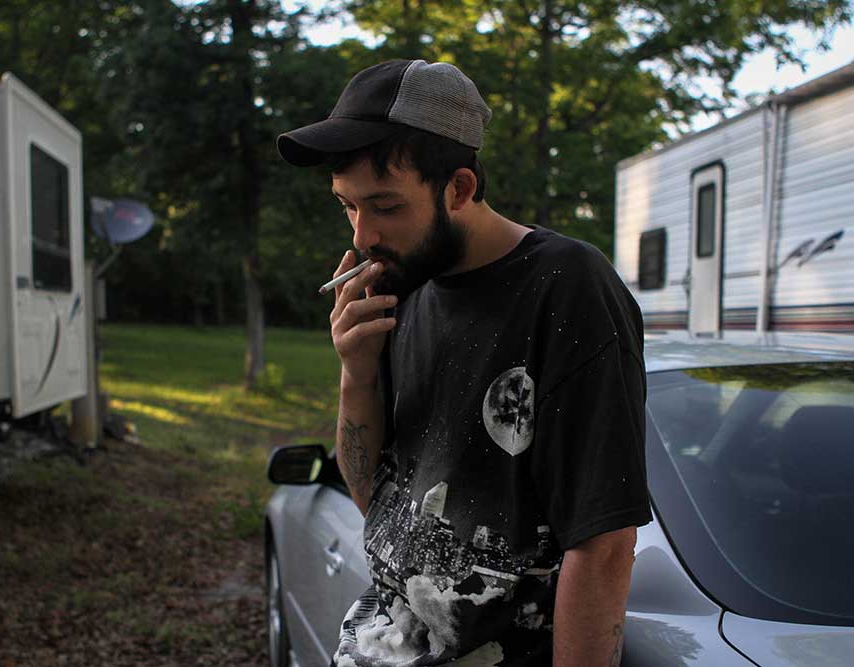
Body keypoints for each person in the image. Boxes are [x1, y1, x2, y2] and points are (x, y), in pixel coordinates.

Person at [277, 59, 651, 667]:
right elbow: (372, 495)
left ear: (459, 188)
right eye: (348, 206)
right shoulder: (402, 280)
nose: (362, 235)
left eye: (385, 206)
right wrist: (356, 371)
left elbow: (604, 544)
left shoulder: (567, 286)